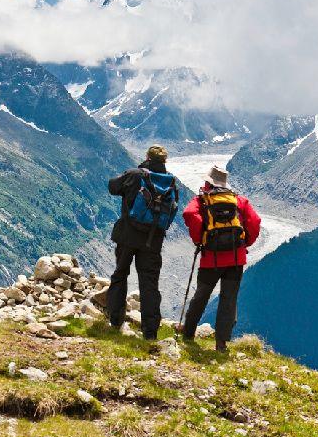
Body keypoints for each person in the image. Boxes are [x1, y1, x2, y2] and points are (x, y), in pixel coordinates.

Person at [181, 165, 262, 351]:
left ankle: (188, 333)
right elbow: (255, 222)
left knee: (201, 295)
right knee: (229, 298)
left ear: (208, 183)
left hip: (211, 258)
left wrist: (200, 238)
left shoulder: (202, 200)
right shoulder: (239, 200)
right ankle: (221, 343)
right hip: (235, 258)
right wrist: (245, 243)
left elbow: (189, 214)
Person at [106, 144, 180, 339]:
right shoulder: (170, 182)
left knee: (120, 274)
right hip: (152, 240)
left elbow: (112, 186)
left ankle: (115, 320)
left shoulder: (134, 174)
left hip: (128, 236)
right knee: (149, 283)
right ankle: (150, 331)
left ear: (147, 156)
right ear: (164, 161)